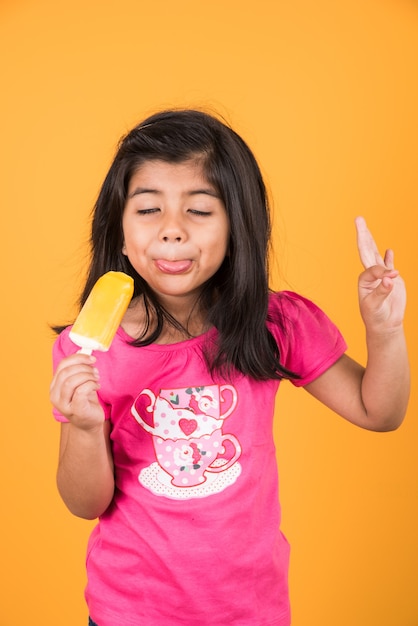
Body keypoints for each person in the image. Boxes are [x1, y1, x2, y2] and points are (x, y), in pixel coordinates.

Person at [50, 109, 410, 626]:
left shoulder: (274, 323)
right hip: (130, 611)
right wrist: (84, 428)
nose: (172, 232)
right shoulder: (88, 349)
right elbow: (86, 503)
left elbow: (380, 411)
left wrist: (385, 329)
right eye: (148, 209)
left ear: (237, 224)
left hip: (250, 611)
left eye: (199, 210)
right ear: (119, 228)